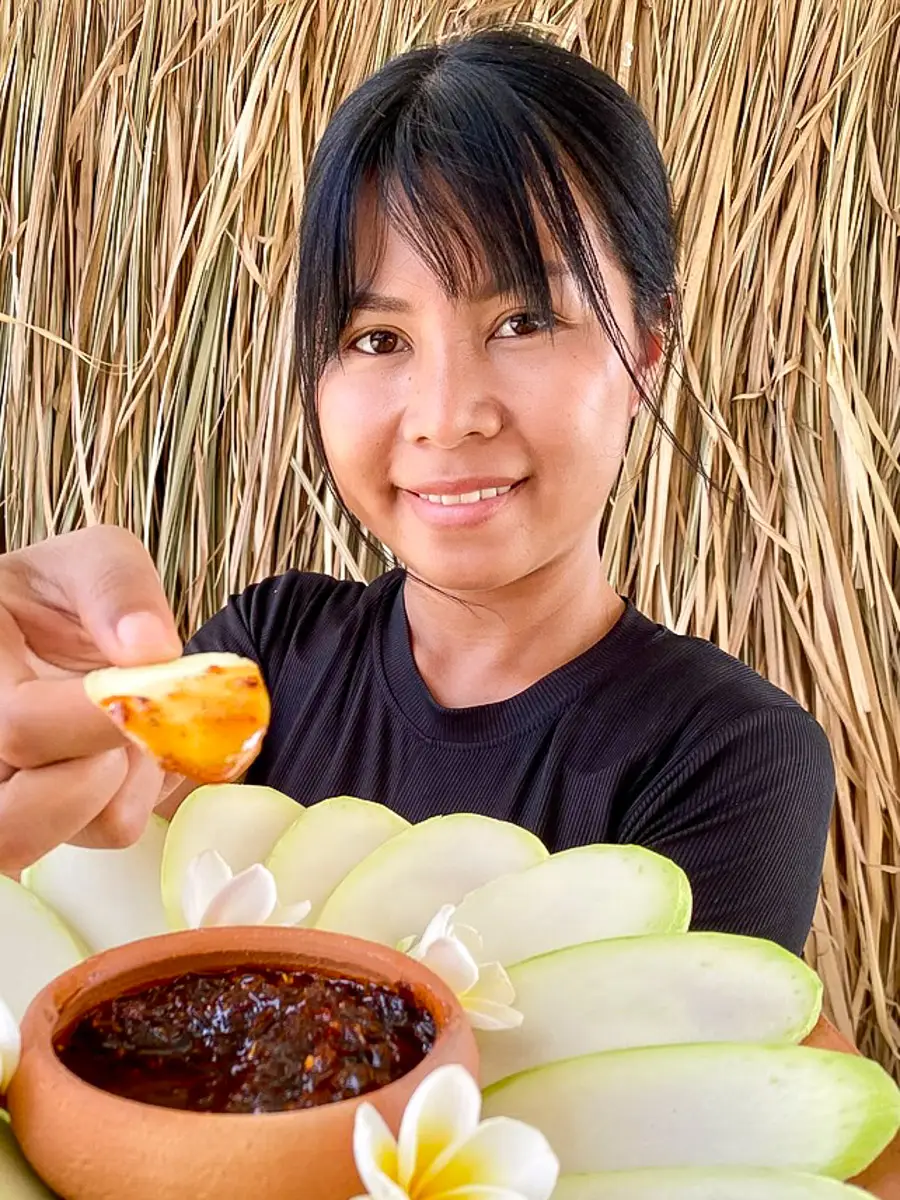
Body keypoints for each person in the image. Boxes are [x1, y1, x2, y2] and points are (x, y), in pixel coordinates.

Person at [0, 28, 834, 954]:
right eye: (377, 339)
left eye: (523, 320)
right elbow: (109, 902)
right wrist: (66, 726)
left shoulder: (730, 755)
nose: (445, 417)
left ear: (644, 347)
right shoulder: (272, 650)